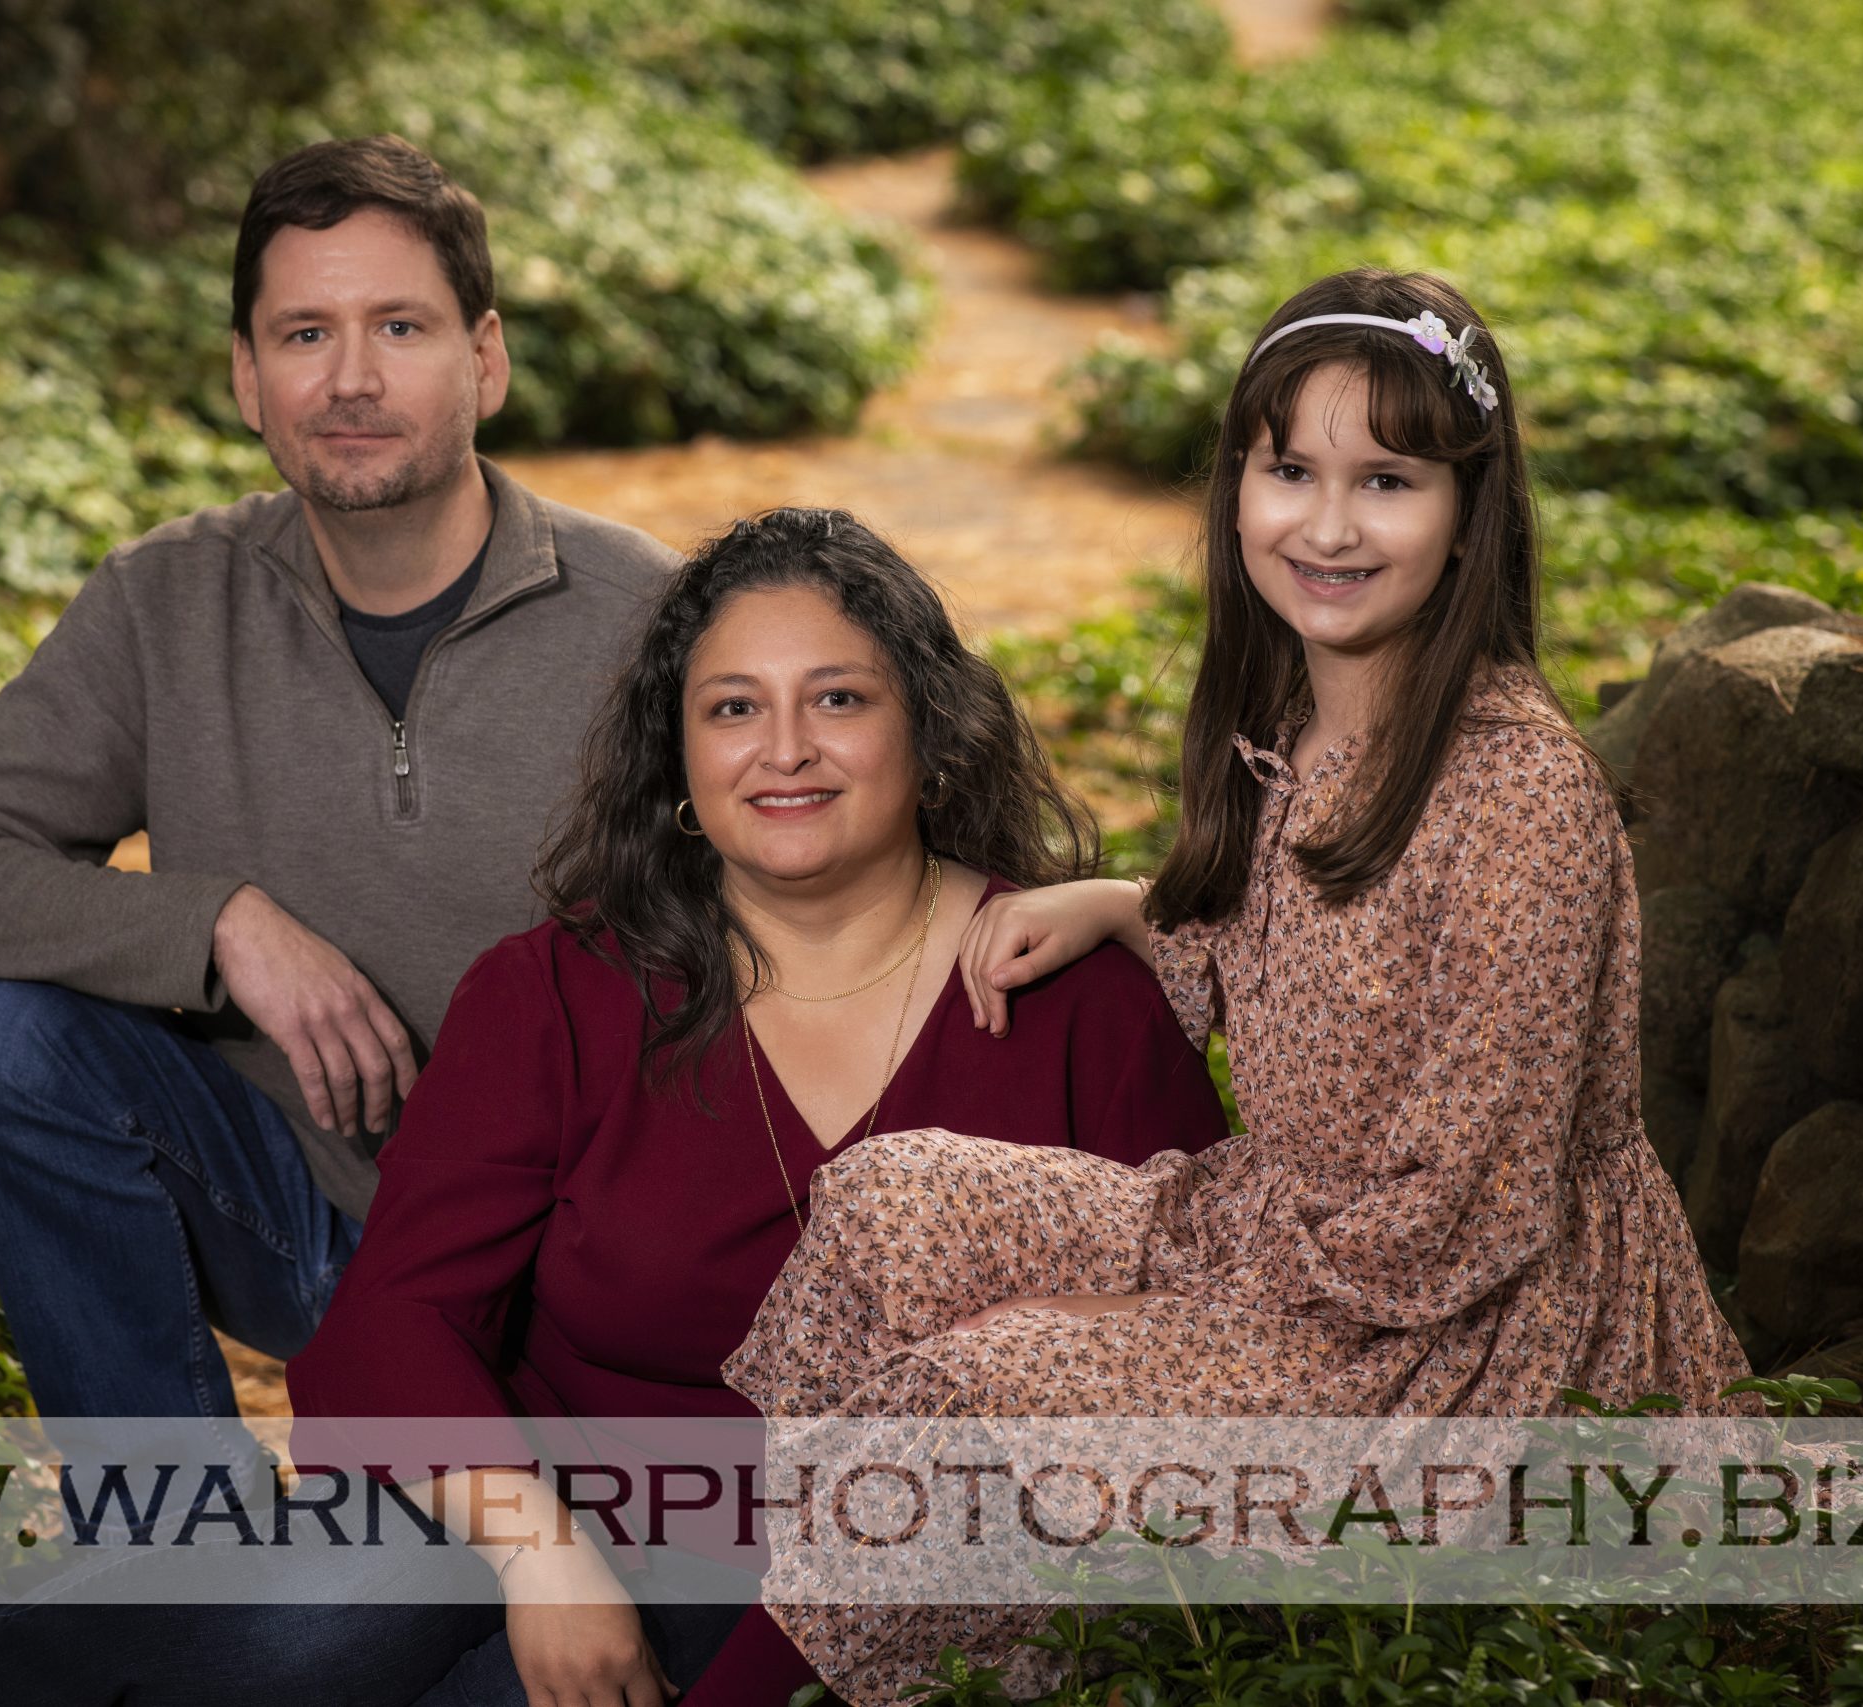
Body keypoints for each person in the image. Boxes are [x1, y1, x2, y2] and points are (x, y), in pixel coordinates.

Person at [719, 271, 1757, 1703]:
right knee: (891, 1202)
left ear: (1470, 515)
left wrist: (1164, 1318)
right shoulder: (1291, 732)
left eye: (1386, 480)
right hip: (1287, 1236)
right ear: (1239, 488)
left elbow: (1471, 1201)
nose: (1328, 526)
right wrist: (1129, 904)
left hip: (1448, 1338)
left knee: (985, 1389)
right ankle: (866, 1646)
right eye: (1291, 470)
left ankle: (842, 1668)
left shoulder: (1517, 790)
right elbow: (1318, 959)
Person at [286, 507, 1233, 1706]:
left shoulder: (1081, 1003)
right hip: (550, 1500)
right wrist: (542, 1555)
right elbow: (395, 1318)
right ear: (678, 759)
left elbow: (1196, 1361)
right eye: (733, 708)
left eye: (839, 699)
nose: (784, 749)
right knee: (254, 1650)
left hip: (895, 1579)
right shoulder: (559, 989)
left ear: (929, 733)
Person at [0, 135, 676, 1423]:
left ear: (487, 359)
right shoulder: (169, 599)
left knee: (436, 1635)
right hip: (294, 1210)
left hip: (562, 1279)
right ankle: (167, 1541)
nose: (350, 380)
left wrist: (1090, 909)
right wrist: (221, 924)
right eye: (303, 335)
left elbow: (872, 878)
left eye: (399, 326)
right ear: (248, 376)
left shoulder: (649, 618)